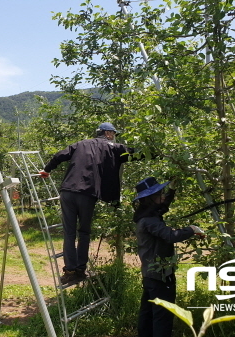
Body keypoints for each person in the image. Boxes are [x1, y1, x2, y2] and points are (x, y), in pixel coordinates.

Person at [39, 122, 143, 285]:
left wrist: (47, 170)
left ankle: (70, 270)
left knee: (69, 232)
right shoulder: (114, 147)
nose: (114, 137)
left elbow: (59, 155)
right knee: (84, 232)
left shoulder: (81, 144)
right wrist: (159, 153)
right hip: (87, 194)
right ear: (108, 133)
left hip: (67, 191)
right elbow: (137, 154)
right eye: (114, 134)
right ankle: (80, 269)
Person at [132, 177, 204, 337]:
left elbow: (162, 207)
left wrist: (171, 190)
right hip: (160, 276)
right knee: (163, 315)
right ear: (150, 198)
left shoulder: (145, 214)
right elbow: (170, 236)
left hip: (150, 274)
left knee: (148, 311)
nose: (163, 196)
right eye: (159, 193)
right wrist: (191, 229)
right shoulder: (150, 221)